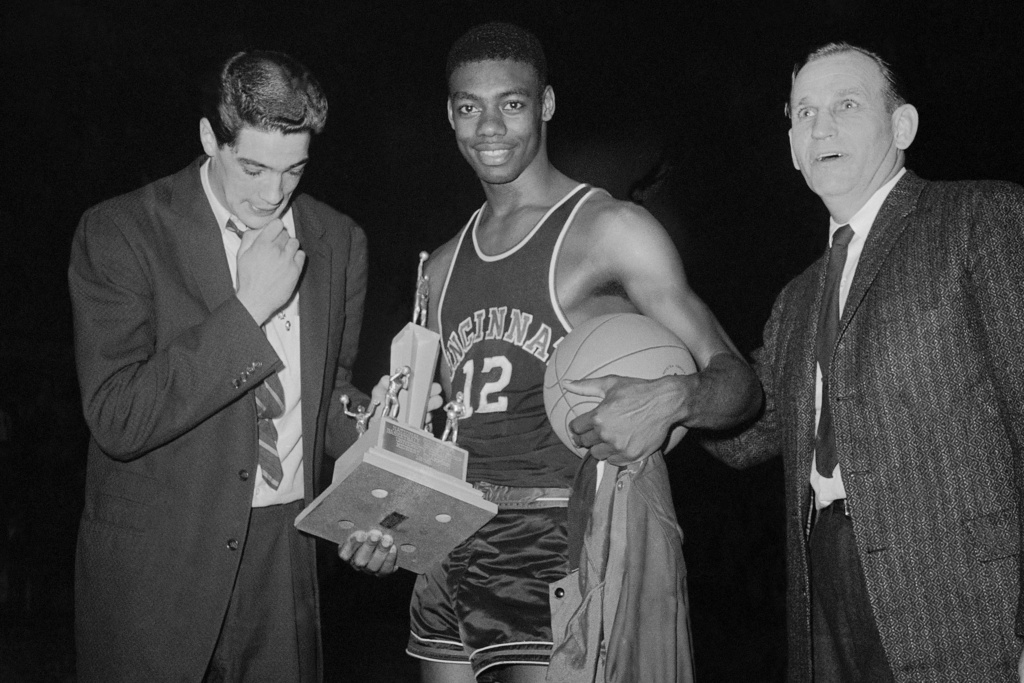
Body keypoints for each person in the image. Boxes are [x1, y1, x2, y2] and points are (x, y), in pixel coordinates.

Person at [580, 41, 1024, 681]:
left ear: (902, 126)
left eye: (846, 104)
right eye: (805, 113)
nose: (822, 127)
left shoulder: (981, 219)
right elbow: (744, 433)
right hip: (824, 601)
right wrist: (647, 321)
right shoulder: (797, 300)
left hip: (962, 604)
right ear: (792, 147)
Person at [349, 21, 760, 683]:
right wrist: (385, 518)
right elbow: (440, 442)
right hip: (448, 554)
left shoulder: (610, 231)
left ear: (545, 104)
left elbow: (740, 383)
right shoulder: (439, 268)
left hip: (555, 548)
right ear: (448, 116)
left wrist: (677, 396)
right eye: (468, 107)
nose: (489, 126)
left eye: (511, 103)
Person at [68, 50, 371, 682]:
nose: (274, 192)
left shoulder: (338, 239)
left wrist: (380, 436)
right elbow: (119, 416)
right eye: (254, 166)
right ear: (211, 136)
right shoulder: (121, 231)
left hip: (285, 556)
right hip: (160, 568)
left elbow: (328, 399)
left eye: (294, 169)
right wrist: (249, 309)